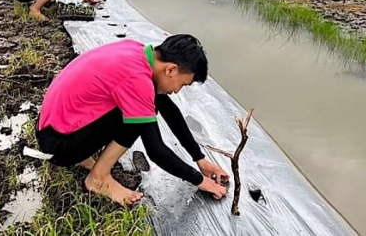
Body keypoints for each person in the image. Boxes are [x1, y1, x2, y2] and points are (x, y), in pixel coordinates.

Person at [35, 34, 230, 206]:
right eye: (183, 84)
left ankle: (84, 158)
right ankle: (98, 178)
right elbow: (156, 151)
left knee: (144, 106)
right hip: (58, 146)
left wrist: (200, 159)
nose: (177, 91)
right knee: (139, 116)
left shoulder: (137, 52)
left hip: (51, 131)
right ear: (171, 70)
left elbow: (170, 111)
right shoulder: (138, 81)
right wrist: (201, 182)